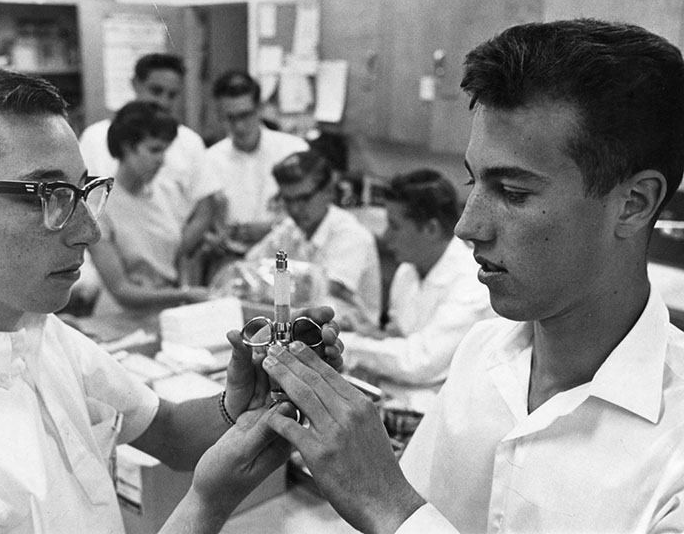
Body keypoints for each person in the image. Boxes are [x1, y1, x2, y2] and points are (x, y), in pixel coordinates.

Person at [256, 18, 684, 533]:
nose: (468, 226)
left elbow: (395, 512)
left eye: (514, 193)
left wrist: (385, 503)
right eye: (472, 181)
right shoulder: (480, 356)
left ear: (633, 204)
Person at [0, 59, 342, 533]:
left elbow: (168, 429)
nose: (90, 230)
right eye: (46, 194)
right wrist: (208, 503)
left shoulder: (32, 327)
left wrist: (247, 401)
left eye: (82, 191)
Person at [343, 169, 496, 391]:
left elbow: (418, 363)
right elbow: (400, 335)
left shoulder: (473, 284)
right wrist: (368, 332)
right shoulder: (407, 270)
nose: (385, 236)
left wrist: (346, 343)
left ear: (431, 229)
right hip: (407, 392)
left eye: (394, 225)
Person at [78, 53, 220, 272]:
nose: (163, 101)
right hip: (105, 261)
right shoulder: (95, 138)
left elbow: (204, 210)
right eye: (156, 91)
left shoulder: (189, 142)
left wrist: (167, 255)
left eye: (172, 95)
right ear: (136, 84)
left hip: (166, 257)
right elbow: (84, 206)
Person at [86, 100, 209, 314]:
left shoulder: (165, 192)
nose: (161, 160)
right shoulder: (98, 204)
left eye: (165, 150)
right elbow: (121, 289)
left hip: (168, 315)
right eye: (154, 150)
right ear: (127, 147)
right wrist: (185, 295)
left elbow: (178, 256)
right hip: (120, 319)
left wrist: (185, 293)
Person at [245, 149, 382, 327]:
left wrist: (269, 280)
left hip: (348, 335)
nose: (295, 209)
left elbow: (322, 290)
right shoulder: (290, 229)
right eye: (288, 200)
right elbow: (249, 268)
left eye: (303, 199)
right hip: (299, 329)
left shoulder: (352, 235)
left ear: (328, 191)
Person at [204, 70, 309, 253]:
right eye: (230, 118)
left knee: (282, 271)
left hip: (282, 253)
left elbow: (311, 210)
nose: (239, 126)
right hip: (232, 256)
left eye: (245, 115)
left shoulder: (293, 151)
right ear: (219, 115)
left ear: (260, 109)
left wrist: (271, 228)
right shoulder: (209, 160)